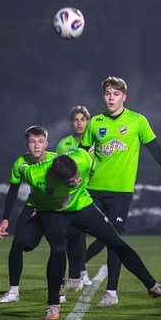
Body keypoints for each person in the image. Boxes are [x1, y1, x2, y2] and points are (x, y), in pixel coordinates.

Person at [18, 149, 161, 319]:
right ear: (56, 177)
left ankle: (153, 287)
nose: (77, 181)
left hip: (82, 207)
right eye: (71, 181)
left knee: (117, 243)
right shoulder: (34, 174)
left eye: (77, 176)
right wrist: (34, 205)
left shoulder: (82, 159)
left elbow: (94, 156)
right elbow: (19, 168)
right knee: (58, 250)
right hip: (53, 214)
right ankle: (53, 304)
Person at [76, 76, 161, 307]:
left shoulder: (137, 121)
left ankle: (111, 293)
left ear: (124, 97)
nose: (111, 98)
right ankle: (74, 278)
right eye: (107, 93)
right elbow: (81, 156)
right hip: (93, 190)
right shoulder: (95, 123)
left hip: (120, 194)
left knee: (114, 242)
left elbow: (155, 150)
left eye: (116, 94)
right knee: (74, 231)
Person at [0, 126, 57, 302]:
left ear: (46, 144)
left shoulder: (57, 160)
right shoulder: (20, 163)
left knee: (58, 248)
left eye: (40, 141)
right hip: (33, 208)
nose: (36, 146)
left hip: (56, 209)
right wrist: (5, 218)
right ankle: (13, 292)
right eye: (32, 141)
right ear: (26, 144)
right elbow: (13, 190)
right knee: (17, 245)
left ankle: (59, 289)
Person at [56, 106, 93, 288]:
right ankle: (80, 273)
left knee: (99, 234)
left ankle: (80, 271)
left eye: (83, 119)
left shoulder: (94, 143)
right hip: (71, 196)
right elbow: (57, 170)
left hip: (91, 191)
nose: (79, 123)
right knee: (76, 235)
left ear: (88, 121)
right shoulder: (64, 144)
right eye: (76, 120)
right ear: (71, 123)